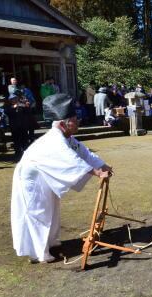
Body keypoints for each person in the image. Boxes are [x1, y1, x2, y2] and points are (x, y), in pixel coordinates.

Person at [10, 93, 112, 263]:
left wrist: (104, 165)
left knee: (51, 209)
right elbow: (72, 160)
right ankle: (39, 253)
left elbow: (84, 153)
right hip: (32, 179)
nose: (78, 122)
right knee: (37, 212)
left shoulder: (67, 137)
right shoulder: (54, 139)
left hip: (44, 175)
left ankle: (50, 242)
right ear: (64, 123)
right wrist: (98, 173)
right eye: (74, 119)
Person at [5, 91, 29, 158]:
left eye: (15, 99)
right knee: (16, 139)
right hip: (14, 126)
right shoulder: (8, 107)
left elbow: (27, 112)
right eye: (13, 99)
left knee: (24, 138)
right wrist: (13, 107)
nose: (14, 100)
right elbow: (6, 112)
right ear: (10, 100)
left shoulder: (21, 105)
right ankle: (18, 152)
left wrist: (26, 106)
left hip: (23, 125)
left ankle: (25, 151)